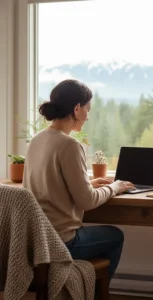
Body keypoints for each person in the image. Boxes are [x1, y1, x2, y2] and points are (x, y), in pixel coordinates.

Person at [23, 79, 135, 285]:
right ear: (76, 109)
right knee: (115, 236)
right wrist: (115, 187)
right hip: (61, 243)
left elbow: (50, 184)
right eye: (87, 109)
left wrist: (89, 182)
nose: (88, 116)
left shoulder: (36, 140)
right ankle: (90, 294)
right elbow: (87, 202)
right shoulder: (70, 145)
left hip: (35, 242)